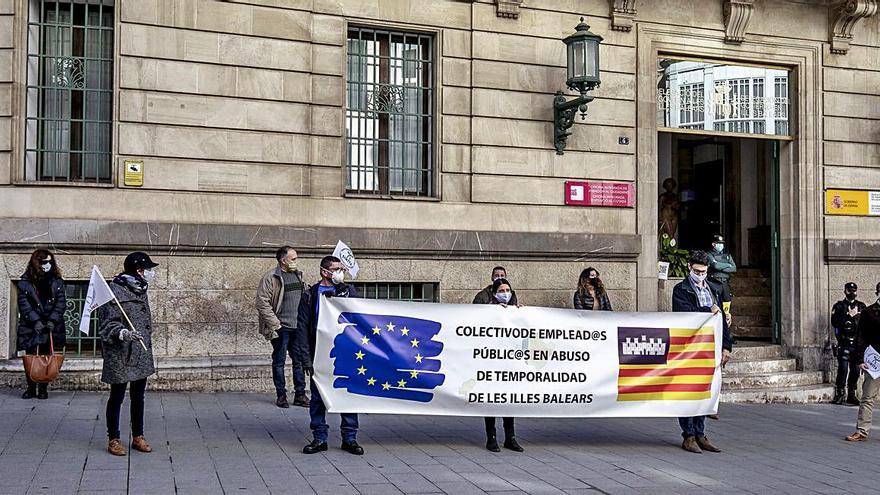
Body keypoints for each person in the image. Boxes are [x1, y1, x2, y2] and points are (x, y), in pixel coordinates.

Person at [296, 255, 363, 455]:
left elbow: (361, 317)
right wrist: (305, 358)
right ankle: (319, 437)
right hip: (319, 353)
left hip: (347, 353)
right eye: (336, 268)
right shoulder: (310, 295)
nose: (340, 272)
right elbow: (302, 327)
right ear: (325, 272)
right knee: (317, 398)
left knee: (348, 395)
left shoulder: (348, 292)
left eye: (342, 268)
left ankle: (349, 438)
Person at [672, 250, 733, 454]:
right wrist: (709, 312)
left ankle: (700, 433)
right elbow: (684, 313)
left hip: (711, 347)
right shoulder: (681, 289)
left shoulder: (714, 289)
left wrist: (727, 346)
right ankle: (688, 435)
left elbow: (723, 320)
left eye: (704, 271)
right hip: (689, 348)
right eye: (697, 270)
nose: (700, 274)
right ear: (690, 267)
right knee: (687, 390)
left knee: (704, 390)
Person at [98, 252, 158, 457]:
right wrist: (122, 333)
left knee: (138, 396)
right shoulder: (113, 292)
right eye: (148, 269)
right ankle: (113, 438)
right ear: (139, 270)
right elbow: (106, 324)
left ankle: (138, 436)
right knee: (117, 396)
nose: (151, 273)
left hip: (140, 352)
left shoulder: (141, 289)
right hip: (121, 354)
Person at [474, 277, 524, 453]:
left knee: (509, 399)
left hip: (510, 363)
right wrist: (494, 312)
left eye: (507, 290)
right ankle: (491, 437)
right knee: (491, 400)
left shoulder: (514, 310)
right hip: (491, 362)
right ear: (495, 294)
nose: (505, 294)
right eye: (501, 291)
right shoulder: (488, 310)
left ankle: (510, 437)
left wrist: (521, 315)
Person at [256, 246, 309, 408]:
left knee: (299, 361)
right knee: (279, 361)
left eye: (296, 258)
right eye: (293, 259)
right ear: (283, 260)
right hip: (281, 328)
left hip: (298, 327)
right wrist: (276, 325)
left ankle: (300, 394)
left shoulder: (298, 275)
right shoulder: (271, 277)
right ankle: (281, 395)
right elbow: (262, 303)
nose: (295, 261)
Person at [16, 249, 66, 400]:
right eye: (44, 262)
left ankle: (43, 388)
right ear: (37, 263)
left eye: (50, 262)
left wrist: (52, 320)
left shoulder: (57, 281)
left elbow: (61, 303)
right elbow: (24, 304)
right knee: (31, 358)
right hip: (31, 326)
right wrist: (35, 320)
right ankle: (31, 388)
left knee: (46, 357)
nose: (47, 265)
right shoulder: (25, 283)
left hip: (50, 325)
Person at [846, 282, 880, 442]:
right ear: (877, 293)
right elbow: (861, 337)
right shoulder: (868, 312)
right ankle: (862, 430)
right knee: (867, 397)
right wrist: (859, 359)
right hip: (874, 361)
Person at [830, 282, 866, 405]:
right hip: (844, 342)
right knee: (843, 369)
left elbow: (865, 324)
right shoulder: (839, 306)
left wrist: (856, 317)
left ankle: (852, 393)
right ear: (845, 291)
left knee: (855, 371)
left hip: (857, 344)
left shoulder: (861, 306)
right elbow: (835, 323)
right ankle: (840, 393)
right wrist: (847, 316)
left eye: (854, 290)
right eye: (849, 290)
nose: (852, 293)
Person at [707, 235, 736, 306]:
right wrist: (728, 264)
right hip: (714, 281)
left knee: (727, 301)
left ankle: (726, 316)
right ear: (713, 244)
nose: (721, 245)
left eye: (722, 243)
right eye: (719, 243)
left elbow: (734, 268)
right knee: (715, 302)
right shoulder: (709, 254)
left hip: (725, 281)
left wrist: (721, 266)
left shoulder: (727, 255)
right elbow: (716, 266)